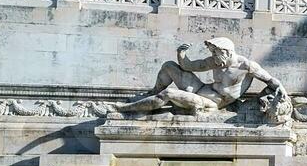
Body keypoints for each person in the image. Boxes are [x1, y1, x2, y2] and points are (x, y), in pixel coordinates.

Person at [109, 38, 281, 118]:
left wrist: (282, 95)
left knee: (168, 93)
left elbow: (271, 81)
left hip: (213, 102)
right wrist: (181, 54)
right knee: (169, 66)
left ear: (227, 52)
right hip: (201, 89)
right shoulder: (216, 62)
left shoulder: (247, 66)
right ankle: (150, 94)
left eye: (215, 52)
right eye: (212, 52)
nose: (213, 55)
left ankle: (124, 109)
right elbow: (189, 67)